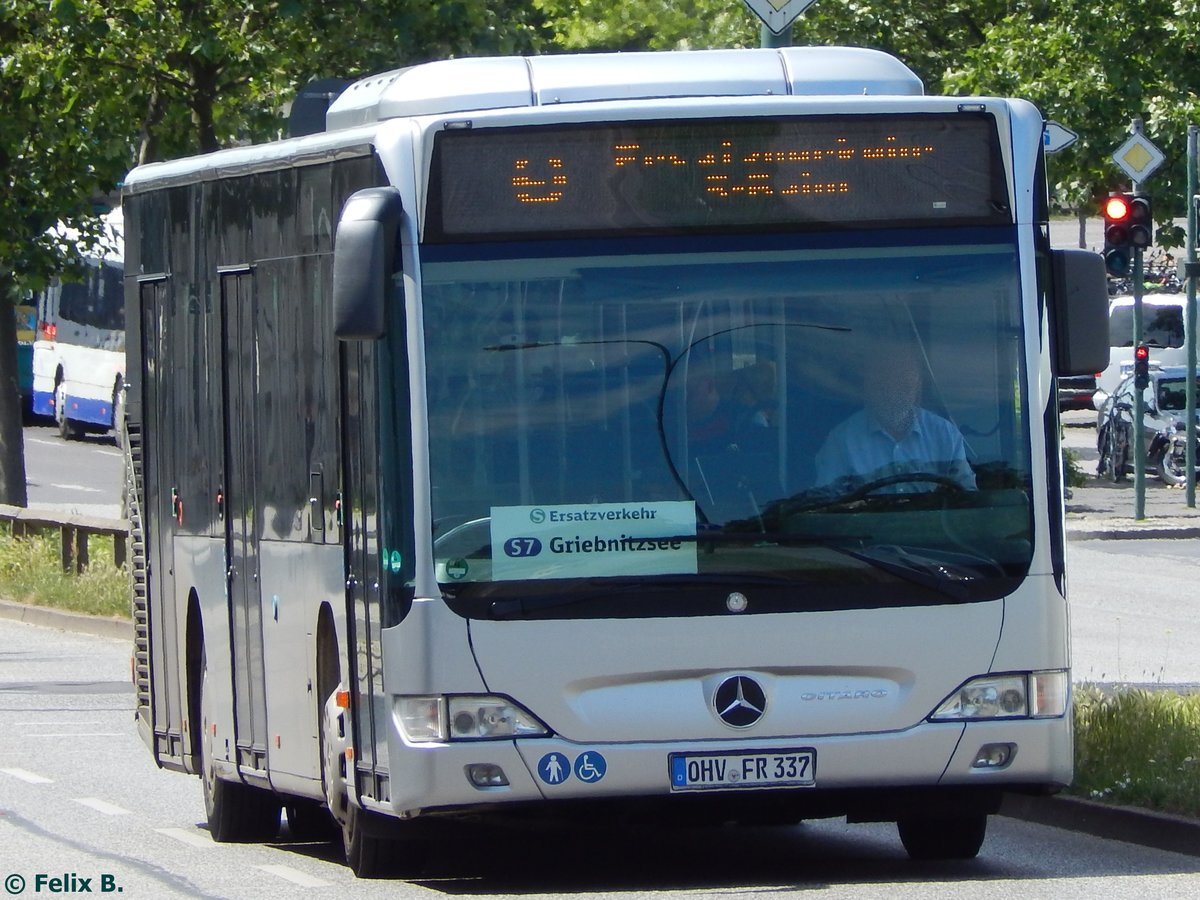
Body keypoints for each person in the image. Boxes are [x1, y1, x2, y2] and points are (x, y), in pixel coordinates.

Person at [814, 336, 975, 493]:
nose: (893, 386)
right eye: (883, 374)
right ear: (867, 383)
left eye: (903, 374)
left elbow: (967, 498)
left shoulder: (946, 435)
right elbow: (826, 504)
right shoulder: (842, 441)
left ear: (918, 383)